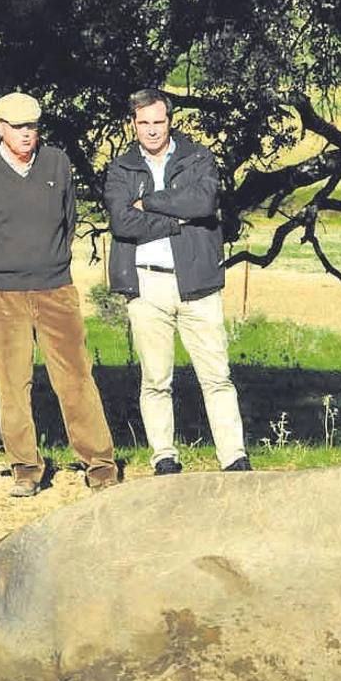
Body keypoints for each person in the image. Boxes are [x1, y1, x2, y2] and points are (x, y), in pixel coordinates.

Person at [0, 92, 120, 496]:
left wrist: (50, 261)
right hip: (0, 294)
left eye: (32, 125)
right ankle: (26, 468)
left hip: (55, 288)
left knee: (76, 378)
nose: (26, 133)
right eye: (17, 126)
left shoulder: (57, 163)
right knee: (12, 384)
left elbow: (68, 219)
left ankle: (100, 465)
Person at [104, 88, 249, 476]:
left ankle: (234, 457)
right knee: (155, 379)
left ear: (170, 121)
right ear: (133, 124)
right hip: (147, 286)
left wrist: (147, 202)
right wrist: (175, 218)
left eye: (159, 121)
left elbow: (202, 204)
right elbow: (121, 222)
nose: (152, 130)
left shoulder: (198, 157)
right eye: (144, 123)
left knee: (217, 376)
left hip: (197, 282)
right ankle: (164, 457)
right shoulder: (120, 168)